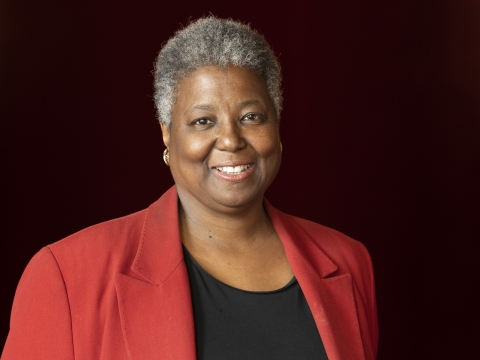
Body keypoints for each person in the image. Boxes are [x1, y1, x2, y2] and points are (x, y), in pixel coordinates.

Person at [2, 17, 378, 359]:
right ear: (167, 134)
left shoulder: (348, 261)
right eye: (202, 121)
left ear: (277, 127)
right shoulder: (64, 276)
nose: (231, 139)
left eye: (251, 116)